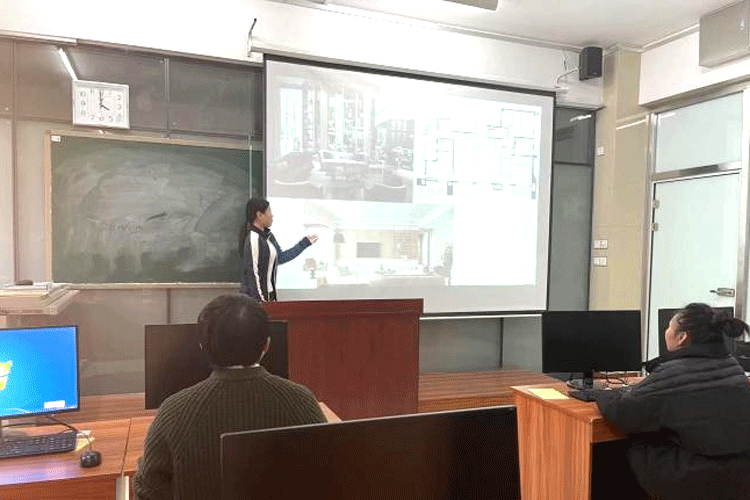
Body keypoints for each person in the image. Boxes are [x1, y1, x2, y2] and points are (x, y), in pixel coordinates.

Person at [133, 294, 326, 500]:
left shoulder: (173, 413)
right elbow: (329, 474)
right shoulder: (302, 401)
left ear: (202, 346)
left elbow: (147, 493)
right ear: (267, 345)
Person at [592, 303, 750, 500]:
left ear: (682, 337)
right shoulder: (732, 366)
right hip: (738, 476)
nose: (666, 331)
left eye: (669, 327)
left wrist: (603, 393)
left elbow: (622, 413)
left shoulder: (673, 372)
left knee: (615, 447)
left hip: (692, 478)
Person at [239, 197, 317, 301]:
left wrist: (304, 244)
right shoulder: (254, 238)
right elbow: (253, 273)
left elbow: (281, 258)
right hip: (257, 299)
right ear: (259, 215)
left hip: (269, 294)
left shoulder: (269, 237)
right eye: (269, 211)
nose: (272, 215)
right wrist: (261, 302)